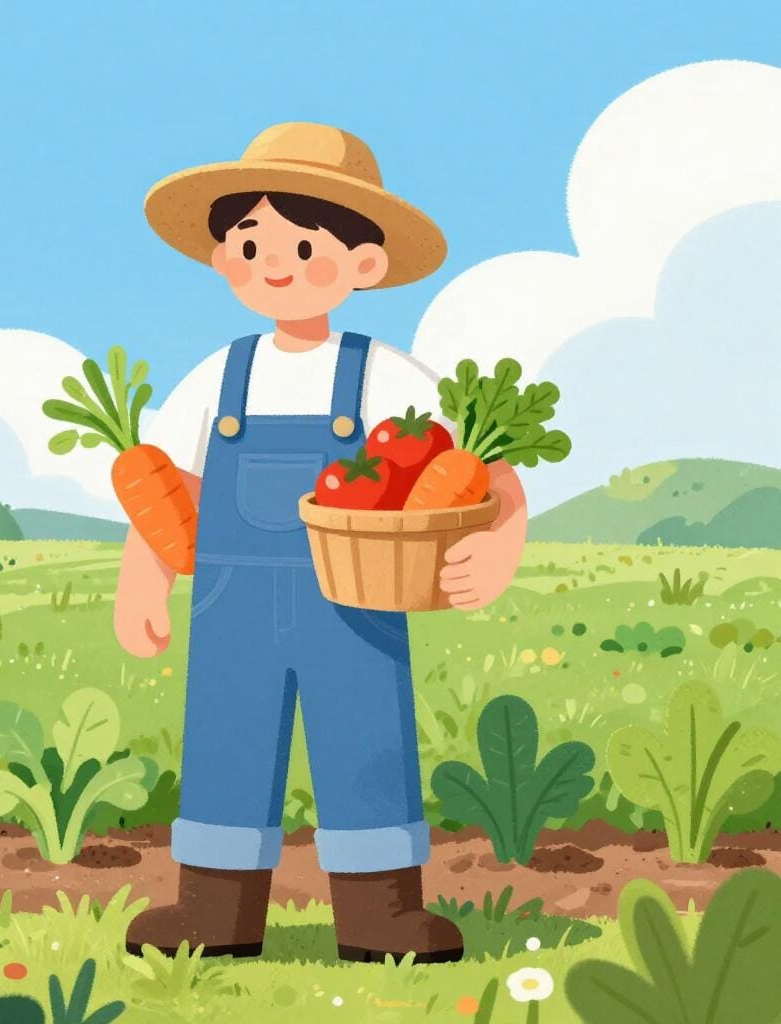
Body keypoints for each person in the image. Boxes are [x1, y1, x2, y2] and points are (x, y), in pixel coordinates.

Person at [116, 122, 527, 963]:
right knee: (226, 737)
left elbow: (477, 468)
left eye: (303, 244)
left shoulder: (382, 375)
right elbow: (170, 490)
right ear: (221, 254)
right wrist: (143, 577)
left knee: (365, 738)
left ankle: (382, 918)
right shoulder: (218, 375)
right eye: (251, 241)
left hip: (356, 600)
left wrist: (502, 538)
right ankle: (211, 915)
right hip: (231, 605)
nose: (276, 262)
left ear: (365, 264)